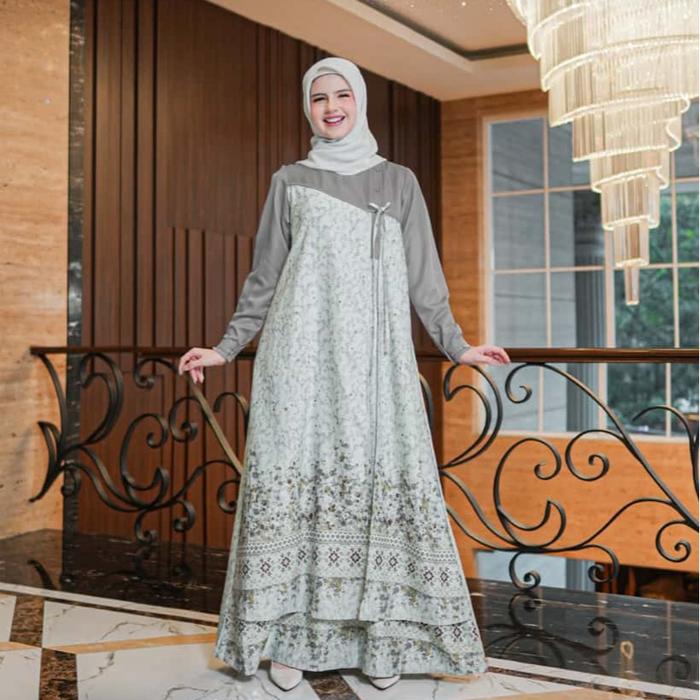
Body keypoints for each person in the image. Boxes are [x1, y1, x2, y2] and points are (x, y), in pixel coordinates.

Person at [179, 56, 509, 692]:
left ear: (359, 102)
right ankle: (289, 643)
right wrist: (225, 347)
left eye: (341, 96)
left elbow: (426, 279)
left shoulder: (398, 182)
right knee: (300, 495)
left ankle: (381, 643)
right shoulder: (290, 181)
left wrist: (458, 346)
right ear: (307, 108)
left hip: (376, 371)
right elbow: (264, 277)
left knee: (373, 494)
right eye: (318, 98)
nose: (331, 107)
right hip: (299, 363)